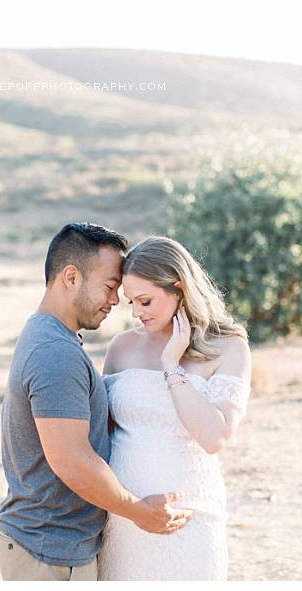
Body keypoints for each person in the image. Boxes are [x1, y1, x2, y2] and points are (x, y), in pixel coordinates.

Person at [0, 223, 193, 581]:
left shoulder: (51, 336)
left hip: (51, 544)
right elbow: (72, 461)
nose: (116, 301)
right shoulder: (56, 352)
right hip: (48, 550)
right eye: (110, 287)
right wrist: (141, 512)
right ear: (71, 277)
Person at [98, 235, 252, 581]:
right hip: (125, 520)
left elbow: (214, 437)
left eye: (146, 301)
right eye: (131, 303)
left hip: (190, 517)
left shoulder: (227, 347)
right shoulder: (121, 348)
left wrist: (173, 366)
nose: (137, 313)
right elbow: (102, 432)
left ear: (178, 288)